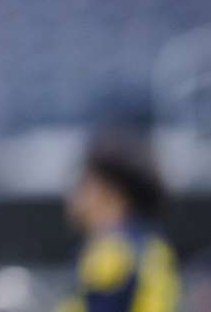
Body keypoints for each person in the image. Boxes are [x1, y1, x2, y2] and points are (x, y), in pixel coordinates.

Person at [55, 133, 181, 312]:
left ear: (111, 193)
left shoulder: (111, 254)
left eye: (84, 184)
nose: (74, 195)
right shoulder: (154, 246)